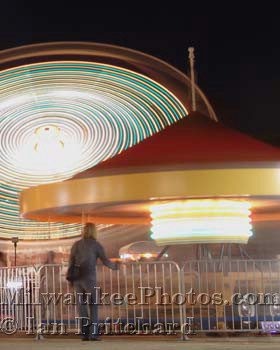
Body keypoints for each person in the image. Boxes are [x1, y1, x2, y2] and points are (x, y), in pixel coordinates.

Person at [68, 223, 118, 341]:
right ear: (94, 232)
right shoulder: (96, 245)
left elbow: (71, 262)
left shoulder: (76, 244)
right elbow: (105, 260)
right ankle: (93, 334)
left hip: (77, 279)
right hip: (89, 278)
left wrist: (71, 279)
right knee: (93, 306)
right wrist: (115, 267)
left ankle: (84, 334)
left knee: (82, 307)